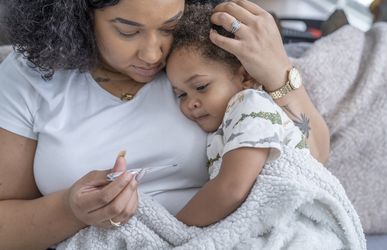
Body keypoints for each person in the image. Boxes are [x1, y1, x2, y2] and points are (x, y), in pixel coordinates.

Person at [0, 0, 329, 249]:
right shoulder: (31, 76)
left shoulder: (208, 56)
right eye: (128, 30)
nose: (153, 54)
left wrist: (279, 71)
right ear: (79, 15)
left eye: (170, 26)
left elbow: (309, 164)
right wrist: (71, 210)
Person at [166, 3, 311, 227]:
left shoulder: (250, 105)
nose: (190, 103)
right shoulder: (224, 124)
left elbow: (232, 189)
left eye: (201, 86)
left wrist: (172, 229)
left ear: (244, 77)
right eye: (180, 94)